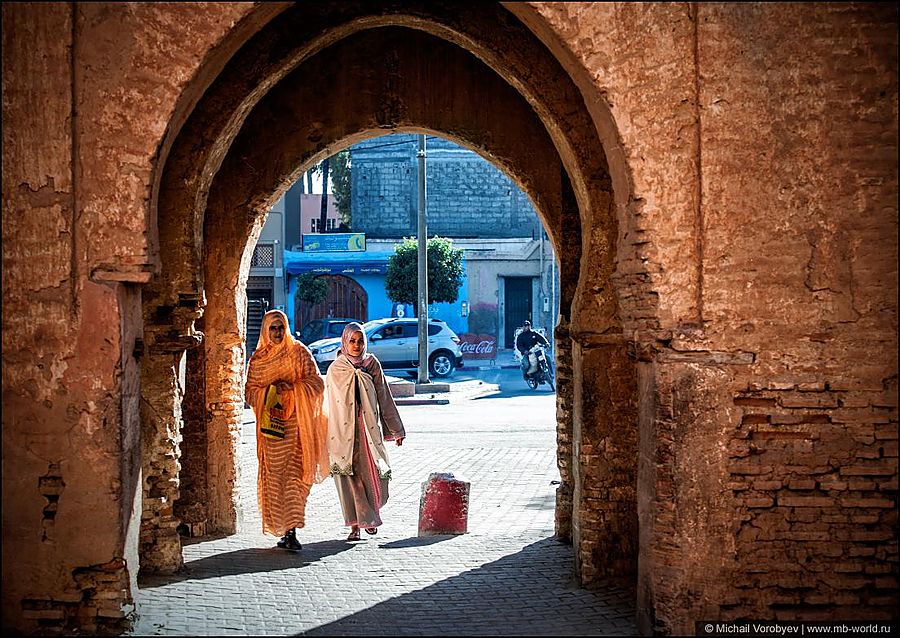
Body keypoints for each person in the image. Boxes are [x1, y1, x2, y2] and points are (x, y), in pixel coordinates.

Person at [244, 309, 329, 551]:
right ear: (265, 330)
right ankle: (282, 529)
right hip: (271, 435)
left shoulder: (299, 353)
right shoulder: (259, 360)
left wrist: (291, 389)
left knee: (296, 479)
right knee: (274, 480)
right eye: (273, 328)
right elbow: (250, 392)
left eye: (281, 327)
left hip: (297, 430)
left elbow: (316, 383)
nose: (278, 332)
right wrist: (270, 391)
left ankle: (292, 531)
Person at [325, 322, 406, 542]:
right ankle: (356, 525)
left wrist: (396, 430)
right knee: (349, 478)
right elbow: (330, 404)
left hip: (367, 430)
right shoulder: (336, 369)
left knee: (372, 474)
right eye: (352, 341)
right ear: (345, 342)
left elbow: (384, 396)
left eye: (360, 341)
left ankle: (370, 514)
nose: (356, 345)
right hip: (343, 434)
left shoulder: (372, 364)